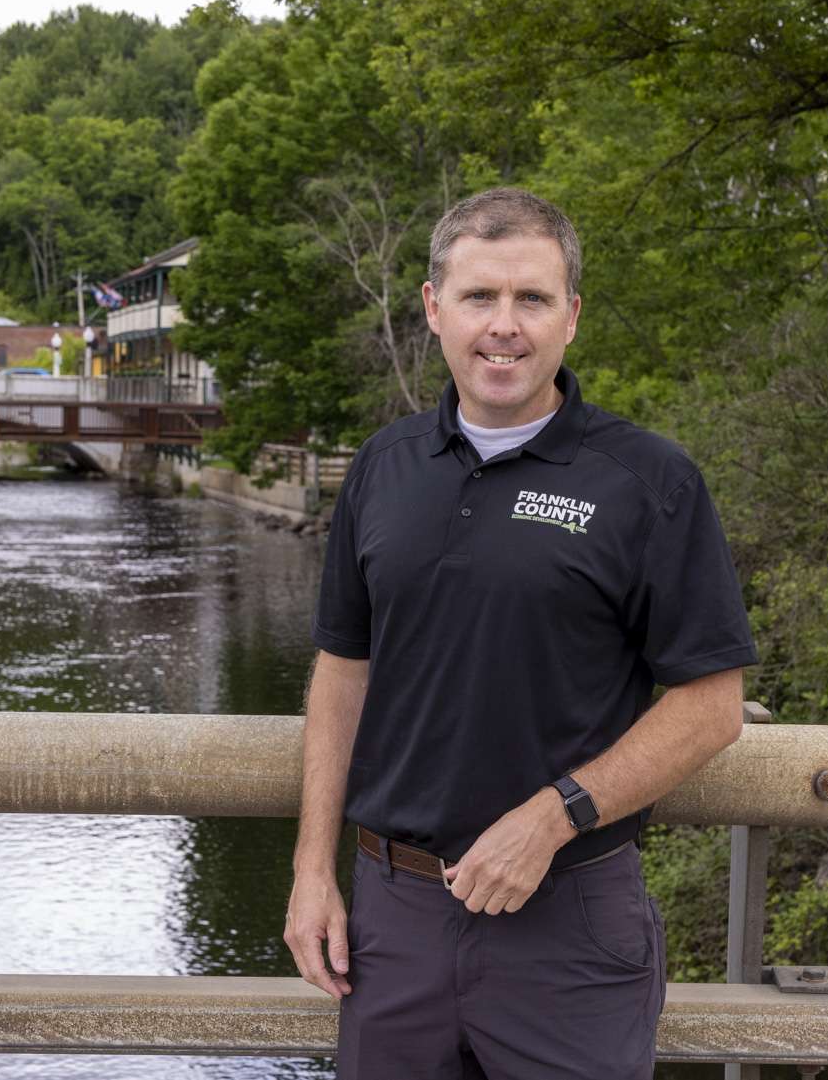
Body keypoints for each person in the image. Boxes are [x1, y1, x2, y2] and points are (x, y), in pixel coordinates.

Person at [285, 187, 756, 1079]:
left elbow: (711, 706)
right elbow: (343, 672)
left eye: (532, 299)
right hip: (394, 918)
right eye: (479, 297)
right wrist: (314, 870)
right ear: (433, 308)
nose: (505, 326)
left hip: (568, 919)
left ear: (571, 316)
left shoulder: (646, 480)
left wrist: (553, 816)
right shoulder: (382, 468)